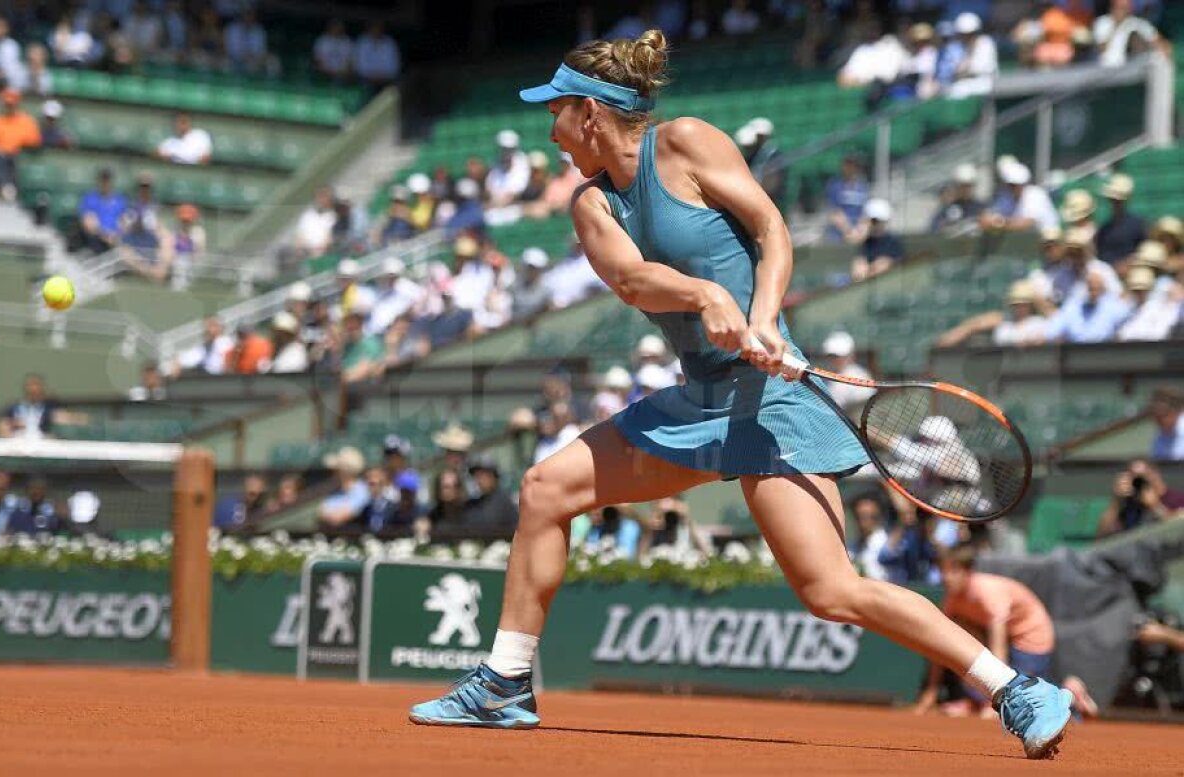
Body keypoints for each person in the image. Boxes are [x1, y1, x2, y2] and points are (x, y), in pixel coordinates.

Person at [410, 29, 1076, 758]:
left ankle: (1016, 687)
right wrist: (703, 295)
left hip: (772, 403)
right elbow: (633, 280)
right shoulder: (592, 206)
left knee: (831, 591)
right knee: (545, 489)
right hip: (698, 402)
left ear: (592, 115)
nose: (552, 131)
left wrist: (760, 316)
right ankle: (506, 682)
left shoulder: (689, 143)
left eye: (557, 113)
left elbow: (770, 228)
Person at [914, 547, 1057, 717]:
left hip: (1032, 637)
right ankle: (975, 701)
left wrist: (997, 699)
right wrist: (931, 691)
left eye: (953, 571)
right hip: (1003, 639)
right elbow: (940, 644)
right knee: (954, 634)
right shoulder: (952, 599)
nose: (946, 577)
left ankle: (1073, 696)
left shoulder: (988, 593)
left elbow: (999, 649)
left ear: (968, 572)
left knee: (1030, 700)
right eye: (942, 571)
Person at [936, 279, 1051, 348]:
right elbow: (975, 325)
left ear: (1031, 305)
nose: (1019, 308)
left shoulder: (1040, 324)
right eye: (1015, 304)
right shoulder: (1004, 323)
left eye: (1023, 303)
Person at [1095, 459, 1184, 537]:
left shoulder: (1178, 498)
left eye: (1144, 476)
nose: (1140, 482)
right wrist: (1116, 502)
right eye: (1135, 478)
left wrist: (1155, 506)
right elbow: (1102, 535)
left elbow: (1179, 530)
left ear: (1155, 474)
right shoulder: (1130, 504)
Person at [1044, 269, 1131, 343]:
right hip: (1076, 353)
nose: (1093, 291)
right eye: (1090, 288)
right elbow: (1053, 330)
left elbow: (1130, 320)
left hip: (1105, 353)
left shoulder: (1114, 306)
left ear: (1103, 288)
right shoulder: (1073, 306)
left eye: (1097, 288)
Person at [0, 88, 40, 200]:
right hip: (0, 157)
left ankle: (9, 190)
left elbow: (34, 142)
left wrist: (18, 148)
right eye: (7, 104)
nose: (9, 107)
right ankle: (3, 189)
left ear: (17, 104)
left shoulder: (27, 121)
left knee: (16, 160)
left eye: (12, 104)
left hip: (19, 157)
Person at [978, 162, 1058, 234]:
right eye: (1010, 185)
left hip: (1048, 244)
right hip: (1025, 243)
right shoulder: (1007, 196)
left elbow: (1026, 224)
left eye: (1016, 185)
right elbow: (988, 217)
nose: (1012, 188)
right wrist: (991, 220)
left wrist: (998, 223)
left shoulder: (1035, 194)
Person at [0, 374, 82, 439]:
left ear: (41, 389)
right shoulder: (13, 408)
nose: (33, 389)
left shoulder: (48, 409)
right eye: (30, 385)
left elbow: (65, 419)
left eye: (36, 385)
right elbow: (3, 428)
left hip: (42, 444)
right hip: (17, 443)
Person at [1093, 0, 1169, 68]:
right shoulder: (1102, 22)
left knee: (1158, 59)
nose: (1122, 9)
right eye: (1119, 6)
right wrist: (1116, 25)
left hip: (1131, 68)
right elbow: (1101, 48)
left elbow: (1159, 42)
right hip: (1105, 69)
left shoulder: (1137, 23)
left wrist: (1161, 48)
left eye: (1125, 6)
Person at [1094, 173, 1146, 266]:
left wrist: (1127, 264)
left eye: (1118, 200)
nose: (1114, 202)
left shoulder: (1138, 224)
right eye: (1112, 199)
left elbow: (1144, 251)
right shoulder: (1104, 228)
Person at [459, 456, 519, 533]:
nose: (479, 479)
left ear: (494, 476)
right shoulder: (472, 505)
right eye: (476, 475)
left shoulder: (505, 503)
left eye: (483, 474)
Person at [850, 198, 903, 281]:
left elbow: (886, 265)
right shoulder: (866, 240)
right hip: (865, 283)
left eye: (877, 221)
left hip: (885, 282)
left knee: (881, 264)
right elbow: (852, 240)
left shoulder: (892, 241)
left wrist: (872, 269)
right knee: (860, 265)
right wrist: (863, 228)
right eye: (873, 221)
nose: (875, 224)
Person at [820, 331, 874, 412]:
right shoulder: (821, 375)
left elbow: (863, 411)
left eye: (838, 356)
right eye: (831, 355)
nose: (834, 359)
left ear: (851, 355)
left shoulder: (860, 377)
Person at [76, 168, 126, 254]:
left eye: (107, 180)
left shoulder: (119, 199)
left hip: (117, 239)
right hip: (97, 240)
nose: (105, 183)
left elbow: (124, 222)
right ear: (98, 181)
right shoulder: (90, 198)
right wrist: (106, 236)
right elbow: (89, 224)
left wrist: (117, 235)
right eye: (103, 179)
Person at [824, 154, 870, 244]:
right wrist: (848, 231)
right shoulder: (835, 185)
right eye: (847, 164)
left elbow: (864, 213)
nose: (850, 168)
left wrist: (859, 231)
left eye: (853, 165)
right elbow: (835, 212)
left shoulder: (862, 187)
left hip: (857, 234)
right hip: (838, 235)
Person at [929, 163, 983, 234]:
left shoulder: (980, 208)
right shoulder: (947, 209)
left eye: (969, 186)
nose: (966, 189)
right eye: (962, 186)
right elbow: (934, 229)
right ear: (956, 186)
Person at [848, 493, 889, 581]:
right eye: (859, 516)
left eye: (869, 516)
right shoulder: (850, 547)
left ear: (879, 516)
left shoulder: (888, 543)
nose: (863, 522)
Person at [354, 21, 401, 86]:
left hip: (386, 82)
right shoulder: (362, 42)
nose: (377, 31)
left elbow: (394, 68)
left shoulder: (390, 43)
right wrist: (371, 76)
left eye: (379, 28)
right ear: (369, 29)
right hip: (364, 81)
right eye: (374, 28)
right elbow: (359, 66)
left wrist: (381, 77)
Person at [1148, 389, 1183, 462]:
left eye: (1162, 415)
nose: (1158, 421)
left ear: (1176, 412)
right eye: (1155, 416)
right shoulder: (1159, 437)